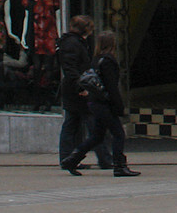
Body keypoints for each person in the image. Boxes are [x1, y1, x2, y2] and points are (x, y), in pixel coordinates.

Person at [60, 28, 139, 177]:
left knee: (97, 136)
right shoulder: (108, 61)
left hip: (95, 102)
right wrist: (119, 106)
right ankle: (119, 166)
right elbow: (112, 87)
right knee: (118, 134)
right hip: (105, 104)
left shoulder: (96, 60)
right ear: (112, 44)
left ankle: (72, 159)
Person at [55, 14, 111, 172]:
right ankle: (103, 158)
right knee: (93, 124)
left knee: (72, 124)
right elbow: (71, 68)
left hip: (74, 89)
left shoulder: (71, 42)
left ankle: (68, 158)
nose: (91, 33)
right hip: (78, 90)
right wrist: (82, 88)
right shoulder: (73, 44)